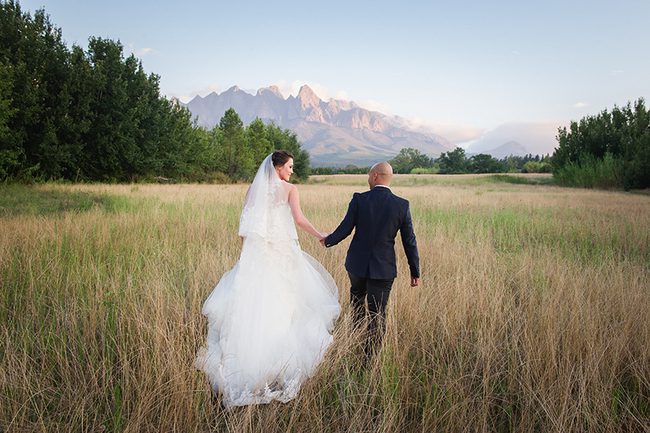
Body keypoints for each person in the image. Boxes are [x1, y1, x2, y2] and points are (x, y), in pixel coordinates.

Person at [195, 150, 341, 409]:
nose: (292, 171)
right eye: (290, 166)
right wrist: (320, 234)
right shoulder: (289, 189)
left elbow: (245, 224)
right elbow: (298, 219)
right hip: (282, 253)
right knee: (284, 301)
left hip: (257, 255)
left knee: (252, 301)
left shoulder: (253, 189)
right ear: (278, 167)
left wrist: (245, 255)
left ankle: (246, 360)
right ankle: (277, 362)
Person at [321, 162, 419, 360]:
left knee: (357, 301)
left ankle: (353, 342)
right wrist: (414, 270)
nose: (367, 179)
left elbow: (345, 229)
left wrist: (327, 240)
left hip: (356, 265)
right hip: (384, 269)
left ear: (375, 176)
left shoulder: (359, 199)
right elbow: (409, 241)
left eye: (368, 175)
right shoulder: (401, 205)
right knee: (377, 314)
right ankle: (369, 359)